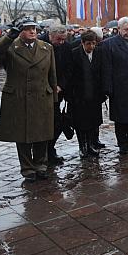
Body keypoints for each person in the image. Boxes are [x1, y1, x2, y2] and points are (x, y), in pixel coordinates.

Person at [0, 18, 57, 183]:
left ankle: (41, 165)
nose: (32, 31)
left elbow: (52, 74)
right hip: (19, 96)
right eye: (27, 29)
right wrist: (8, 36)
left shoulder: (47, 48)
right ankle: (27, 168)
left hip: (41, 95)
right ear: (20, 31)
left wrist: (53, 96)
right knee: (22, 134)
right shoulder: (11, 47)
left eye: (34, 28)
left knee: (42, 132)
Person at [101, 17, 128, 155]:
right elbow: (106, 68)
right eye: (126, 30)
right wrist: (108, 88)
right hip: (119, 87)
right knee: (121, 119)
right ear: (119, 29)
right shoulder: (109, 44)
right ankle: (122, 143)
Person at [68, 31, 103, 157]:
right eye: (88, 44)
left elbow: (102, 72)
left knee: (93, 122)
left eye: (94, 44)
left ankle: (91, 144)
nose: (91, 47)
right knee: (81, 123)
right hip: (79, 96)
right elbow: (70, 75)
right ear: (82, 43)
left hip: (94, 95)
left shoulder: (99, 53)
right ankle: (82, 146)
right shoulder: (74, 54)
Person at [45, 25, 73, 163]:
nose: (61, 42)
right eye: (58, 39)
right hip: (43, 92)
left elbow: (69, 68)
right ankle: (43, 152)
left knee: (57, 123)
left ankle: (50, 149)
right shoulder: (42, 44)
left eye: (63, 39)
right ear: (50, 36)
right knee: (45, 124)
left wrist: (61, 85)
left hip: (59, 91)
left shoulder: (66, 47)